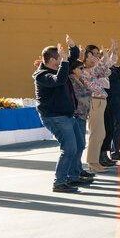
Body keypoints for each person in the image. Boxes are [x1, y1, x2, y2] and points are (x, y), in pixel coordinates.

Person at [34, 37, 91, 193]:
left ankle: (73, 176)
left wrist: (72, 47)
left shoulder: (60, 67)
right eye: (60, 58)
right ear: (53, 60)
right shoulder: (42, 75)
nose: (62, 61)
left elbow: (72, 59)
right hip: (55, 117)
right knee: (69, 148)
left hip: (67, 115)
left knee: (79, 145)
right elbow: (58, 81)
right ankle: (59, 182)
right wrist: (65, 62)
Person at [81, 42, 114, 172]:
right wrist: (104, 57)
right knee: (96, 133)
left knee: (101, 133)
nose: (93, 58)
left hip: (101, 101)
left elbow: (107, 70)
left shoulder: (94, 70)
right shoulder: (85, 71)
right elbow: (99, 69)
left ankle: (95, 162)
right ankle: (92, 163)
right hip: (94, 101)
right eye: (90, 56)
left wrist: (108, 56)